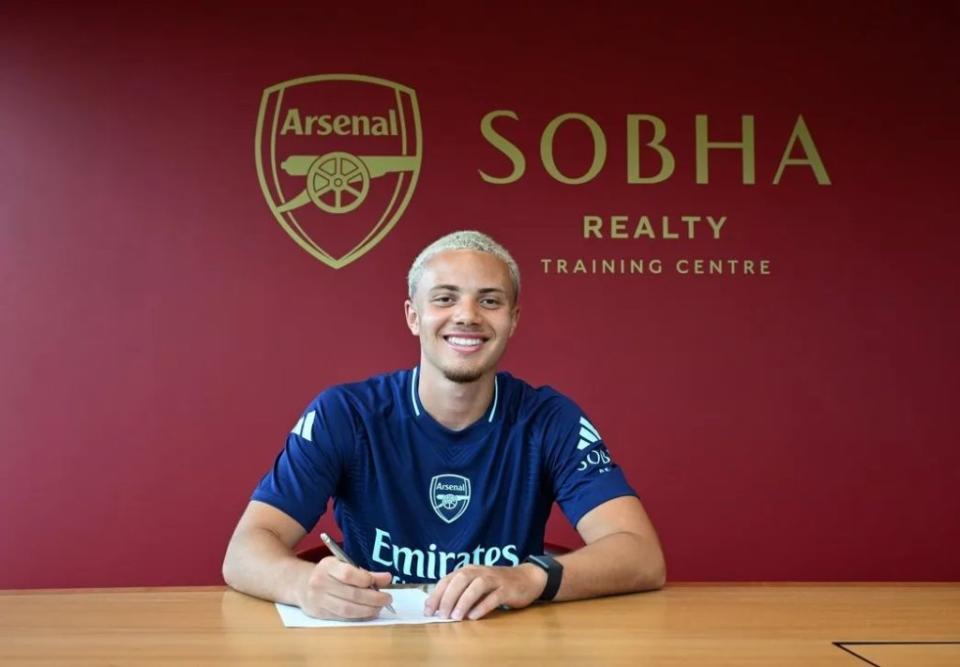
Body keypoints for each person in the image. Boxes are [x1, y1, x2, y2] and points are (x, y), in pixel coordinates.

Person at [222, 230, 665, 621]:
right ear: (414, 316)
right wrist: (301, 585)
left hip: (502, 644)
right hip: (372, 642)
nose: (467, 315)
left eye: (489, 300)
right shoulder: (346, 414)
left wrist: (531, 577)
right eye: (445, 298)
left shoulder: (550, 420)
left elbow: (641, 556)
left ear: (512, 320)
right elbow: (244, 551)